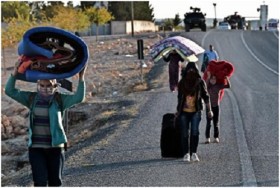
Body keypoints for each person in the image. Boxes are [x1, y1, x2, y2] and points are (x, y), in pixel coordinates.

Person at [5, 61, 87, 186]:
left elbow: (79, 98)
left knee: (55, 181)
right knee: (40, 181)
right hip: (36, 148)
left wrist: (81, 78)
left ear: (55, 86)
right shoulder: (32, 99)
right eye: (42, 85)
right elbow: (10, 91)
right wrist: (15, 73)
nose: (45, 88)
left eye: (48, 85)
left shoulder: (60, 99)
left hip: (55, 148)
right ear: (38, 85)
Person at [176, 62, 213, 162]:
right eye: (189, 70)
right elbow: (179, 98)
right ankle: (186, 154)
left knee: (195, 132)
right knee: (184, 133)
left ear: (196, 71)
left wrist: (209, 110)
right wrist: (177, 111)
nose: (191, 72)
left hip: (196, 111)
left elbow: (206, 97)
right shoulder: (182, 83)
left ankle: (194, 153)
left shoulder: (200, 82)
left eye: (193, 70)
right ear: (186, 71)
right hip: (184, 112)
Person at [205, 75, 231, 144]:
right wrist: (208, 77)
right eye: (212, 79)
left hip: (216, 106)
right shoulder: (208, 87)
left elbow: (228, 86)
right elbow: (204, 86)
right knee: (208, 123)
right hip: (209, 107)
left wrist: (226, 78)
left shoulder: (218, 86)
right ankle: (208, 138)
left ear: (216, 80)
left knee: (216, 122)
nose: (213, 80)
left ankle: (216, 137)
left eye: (214, 79)